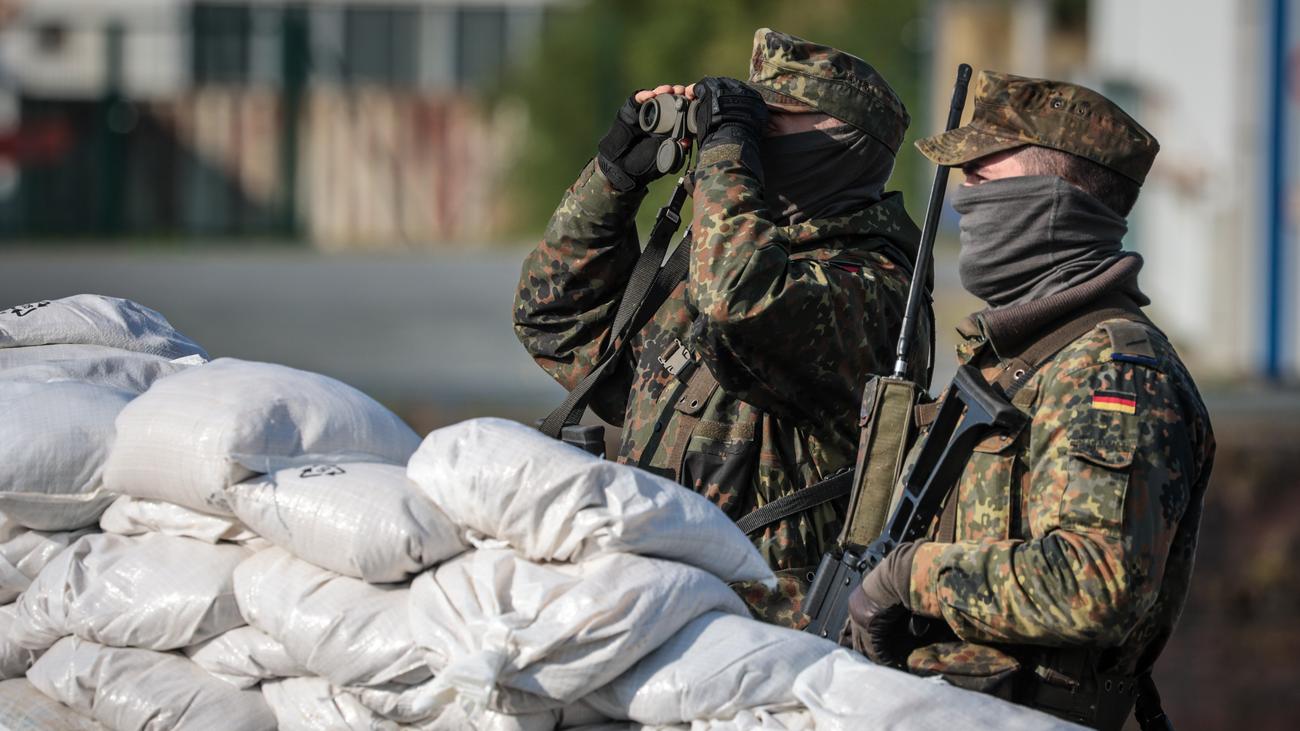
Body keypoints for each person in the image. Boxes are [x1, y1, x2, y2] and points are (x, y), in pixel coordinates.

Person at [514, 28, 929, 625]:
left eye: (772, 121)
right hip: (658, 600)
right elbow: (551, 319)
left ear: (840, 143)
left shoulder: (872, 287)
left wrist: (726, 150)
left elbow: (738, 298)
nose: (753, 140)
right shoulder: (724, 257)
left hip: (766, 627)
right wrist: (614, 180)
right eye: (749, 121)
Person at [845, 71, 1216, 730]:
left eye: (983, 178)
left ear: (1052, 200)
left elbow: (1094, 583)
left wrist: (908, 577)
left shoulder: (1113, 371)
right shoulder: (1018, 358)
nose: (965, 198)